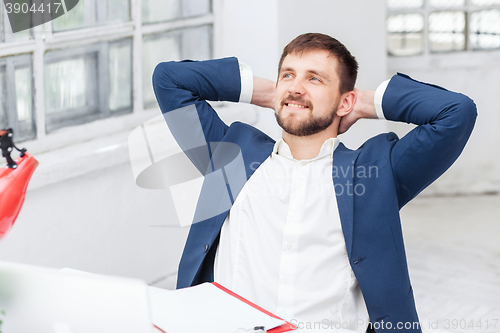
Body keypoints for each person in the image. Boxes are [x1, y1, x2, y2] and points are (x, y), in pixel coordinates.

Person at [152, 33, 476, 332]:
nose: (296, 86)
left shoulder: (376, 172)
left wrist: (361, 102)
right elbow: (169, 79)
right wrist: (272, 93)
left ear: (344, 101)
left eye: (314, 78)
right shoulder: (230, 156)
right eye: (288, 75)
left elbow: (456, 113)